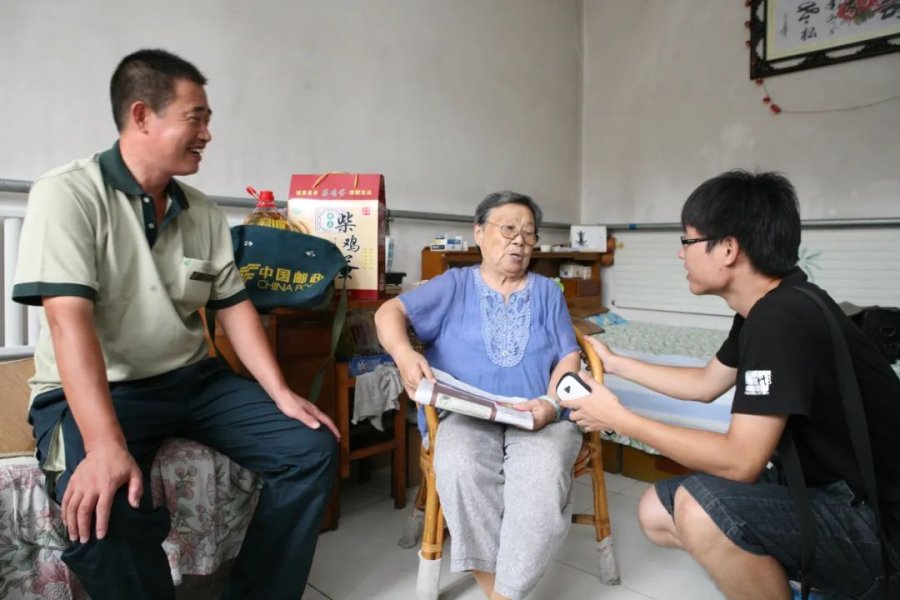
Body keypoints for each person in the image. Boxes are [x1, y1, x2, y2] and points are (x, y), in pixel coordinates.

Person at [12, 48, 339, 599]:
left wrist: (280, 392)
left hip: (192, 382)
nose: (207, 134)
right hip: (103, 389)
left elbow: (233, 307)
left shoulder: (203, 212)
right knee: (103, 511)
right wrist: (105, 444)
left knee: (310, 448)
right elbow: (69, 325)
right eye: (196, 118)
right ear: (141, 115)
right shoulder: (67, 194)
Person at [562, 170, 900, 599]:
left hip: (880, 526)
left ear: (727, 248)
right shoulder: (769, 306)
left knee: (698, 510)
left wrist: (618, 419)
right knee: (657, 511)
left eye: (687, 241)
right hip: (827, 490)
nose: (680, 253)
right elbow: (705, 384)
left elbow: (741, 462)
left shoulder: (781, 320)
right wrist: (616, 364)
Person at [375, 191, 581, 600]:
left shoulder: (547, 292)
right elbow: (388, 312)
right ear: (479, 233)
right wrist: (403, 354)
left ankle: (503, 592)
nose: (519, 241)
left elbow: (568, 355)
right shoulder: (454, 284)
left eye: (529, 233)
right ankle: (501, 592)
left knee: (542, 473)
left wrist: (550, 404)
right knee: (461, 466)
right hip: (466, 414)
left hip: (536, 415)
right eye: (508, 229)